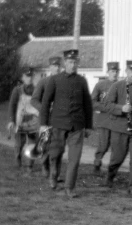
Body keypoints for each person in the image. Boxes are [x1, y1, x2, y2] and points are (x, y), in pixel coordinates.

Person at [40, 49, 93, 199]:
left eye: (75, 62)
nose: (73, 65)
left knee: (74, 158)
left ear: (78, 63)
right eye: (70, 62)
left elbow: (87, 104)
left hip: (77, 126)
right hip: (58, 124)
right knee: (56, 153)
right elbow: (45, 102)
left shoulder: (82, 81)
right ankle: (54, 174)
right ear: (64, 63)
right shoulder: (55, 80)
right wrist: (44, 124)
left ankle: (69, 187)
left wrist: (88, 125)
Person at [103, 60, 132, 196]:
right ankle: (110, 176)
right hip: (120, 129)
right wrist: (121, 108)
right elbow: (107, 105)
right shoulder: (117, 86)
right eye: (131, 71)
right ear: (126, 71)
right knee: (117, 158)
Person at [31, 55, 62, 178]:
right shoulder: (44, 82)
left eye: (59, 66)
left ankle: (55, 171)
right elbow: (34, 100)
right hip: (45, 118)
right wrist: (45, 108)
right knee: (45, 143)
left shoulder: (64, 82)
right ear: (50, 67)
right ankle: (45, 165)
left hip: (60, 119)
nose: (57, 68)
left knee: (58, 145)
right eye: (54, 66)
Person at [7, 67, 39, 171]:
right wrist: (11, 120)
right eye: (27, 76)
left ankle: (30, 165)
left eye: (30, 76)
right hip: (20, 121)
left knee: (32, 144)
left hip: (34, 122)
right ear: (23, 77)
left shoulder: (37, 90)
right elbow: (12, 105)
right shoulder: (17, 90)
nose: (29, 78)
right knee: (19, 144)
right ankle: (18, 162)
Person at [91, 62, 120, 174]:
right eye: (112, 71)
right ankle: (97, 163)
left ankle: (112, 170)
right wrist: (107, 108)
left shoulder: (122, 85)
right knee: (103, 145)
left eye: (116, 71)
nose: (115, 73)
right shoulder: (101, 85)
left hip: (117, 120)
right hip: (104, 119)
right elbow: (93, 102)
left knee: (116, 146)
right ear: (107, 72)